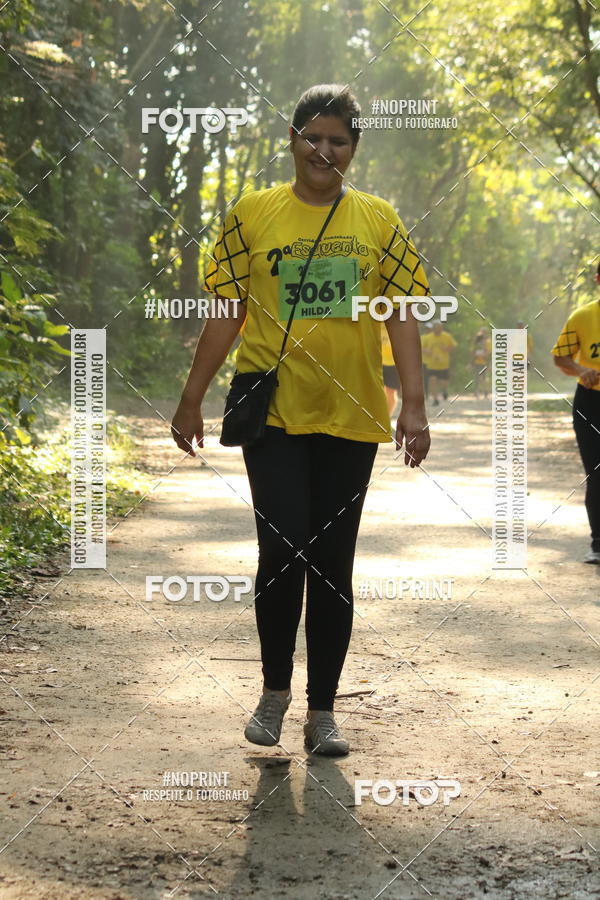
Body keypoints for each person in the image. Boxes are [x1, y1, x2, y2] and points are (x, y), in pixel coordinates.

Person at [170, 84, 431, 756]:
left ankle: (322, 713)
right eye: (312, 137)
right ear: (291, 140)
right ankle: (274, 691)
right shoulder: (253, 215)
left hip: (352, 415)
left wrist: (415, 404)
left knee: (332, 564)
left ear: (355, 148)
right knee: (282, 552)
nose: (323, 150)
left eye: (338, 140)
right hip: (275, 412)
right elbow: (227, 311)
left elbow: (402, 312)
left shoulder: (378, 219)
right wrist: (191, 397)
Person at [551, 261, 600, 564]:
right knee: (597, 474)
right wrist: (582, 370)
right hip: (592, 404)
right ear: (598, 279)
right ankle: (598, 543)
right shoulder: (583, 316)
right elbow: (560, 357)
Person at [421, 320, 457, 405]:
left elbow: (454, 346)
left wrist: (447, 349)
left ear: (442, 328)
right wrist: (427, 351)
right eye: (435, 328)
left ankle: (444, 390)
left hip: (443, 364)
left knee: (444, 382)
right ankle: (435, 399)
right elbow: (421, 347)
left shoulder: (447, 336)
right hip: (432, 364)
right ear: (433, 328)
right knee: (432, 380)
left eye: (439, 328)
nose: (437, 330)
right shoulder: (428, 337)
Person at [381, 322, 401, 415]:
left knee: (390, 391)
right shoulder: (371, 319)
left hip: (393, 362)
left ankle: (386, 418)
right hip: (375, 360)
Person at [471, 329, 490, 399]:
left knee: (484, 378)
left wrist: (484, 354)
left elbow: (487, 353)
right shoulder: (475, 344)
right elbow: (472, 353)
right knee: (477, 378)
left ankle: (486, 391)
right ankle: (476, 392)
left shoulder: (487, 343)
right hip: (477, 363)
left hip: (484, 363)